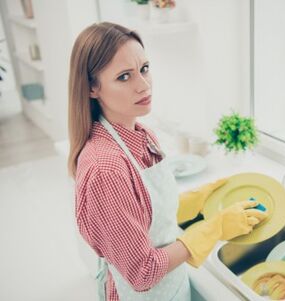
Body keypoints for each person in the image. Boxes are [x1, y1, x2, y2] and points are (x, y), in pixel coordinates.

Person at [67, 22, 268, 301]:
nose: (143, 85)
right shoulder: (106, 168)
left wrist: (197, 200)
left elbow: (144, 214)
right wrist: (214, 228)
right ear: (92, 88)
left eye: (144, 68)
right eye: (124, 77)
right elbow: (141, 272)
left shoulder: (141, 133)